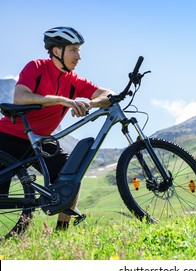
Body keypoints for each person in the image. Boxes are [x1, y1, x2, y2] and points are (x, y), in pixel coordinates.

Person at [0, 26, 112, 231]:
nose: (79, 57)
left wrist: (90, 103)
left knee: (70, 177)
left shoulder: (74, 81)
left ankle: (61, 232)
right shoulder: (35, 67)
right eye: (73, 50)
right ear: (56, 51)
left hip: (41, 141)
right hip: (8, 137)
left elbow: (107, 94)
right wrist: (63, 100)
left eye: (78, 50)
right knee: (1, 196)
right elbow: (20, 97)